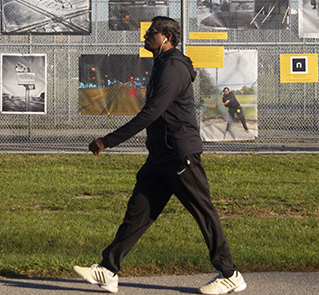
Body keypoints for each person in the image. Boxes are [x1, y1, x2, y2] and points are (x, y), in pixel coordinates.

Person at [73, 16, 246, 295]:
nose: (145, 37)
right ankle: (108, 270)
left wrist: (107, 141)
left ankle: (230, 275)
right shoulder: (162, 64)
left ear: (166, 37)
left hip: (179, 154)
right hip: (160, 156)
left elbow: (150, 113)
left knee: (203, 213)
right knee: (138, 213)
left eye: (150, 33)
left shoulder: (173, 68)